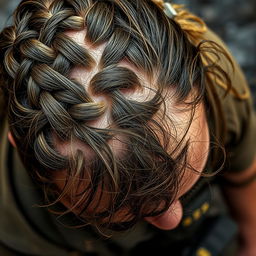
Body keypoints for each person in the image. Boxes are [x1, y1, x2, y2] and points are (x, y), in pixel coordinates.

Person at [0, 0, 255, 255]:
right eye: (112, 216)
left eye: (188, 173)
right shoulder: (16, 226)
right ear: (23, 153)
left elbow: (244, 174)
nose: (171, 220)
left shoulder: (218, 83)